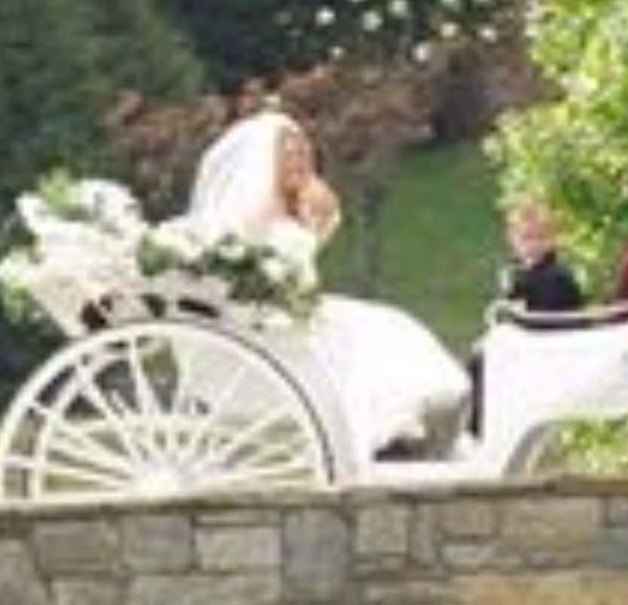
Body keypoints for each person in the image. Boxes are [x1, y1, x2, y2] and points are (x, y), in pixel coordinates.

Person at [181, 109, 470, 458]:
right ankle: (376, 437)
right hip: (265, 321)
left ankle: (411, 435)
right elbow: (239, 270)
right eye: (289, 155)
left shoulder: (301, 210)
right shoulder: (250, 215)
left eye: (304, 154)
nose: (300, 162)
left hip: (298, 309)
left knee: (389, 325)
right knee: (367, 334)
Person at [501, 200, 586, 316]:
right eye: (526, 238)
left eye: (541, 238)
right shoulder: (515, 272)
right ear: (512, 239)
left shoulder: (558, 276)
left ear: (552, 239)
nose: (534, 245)